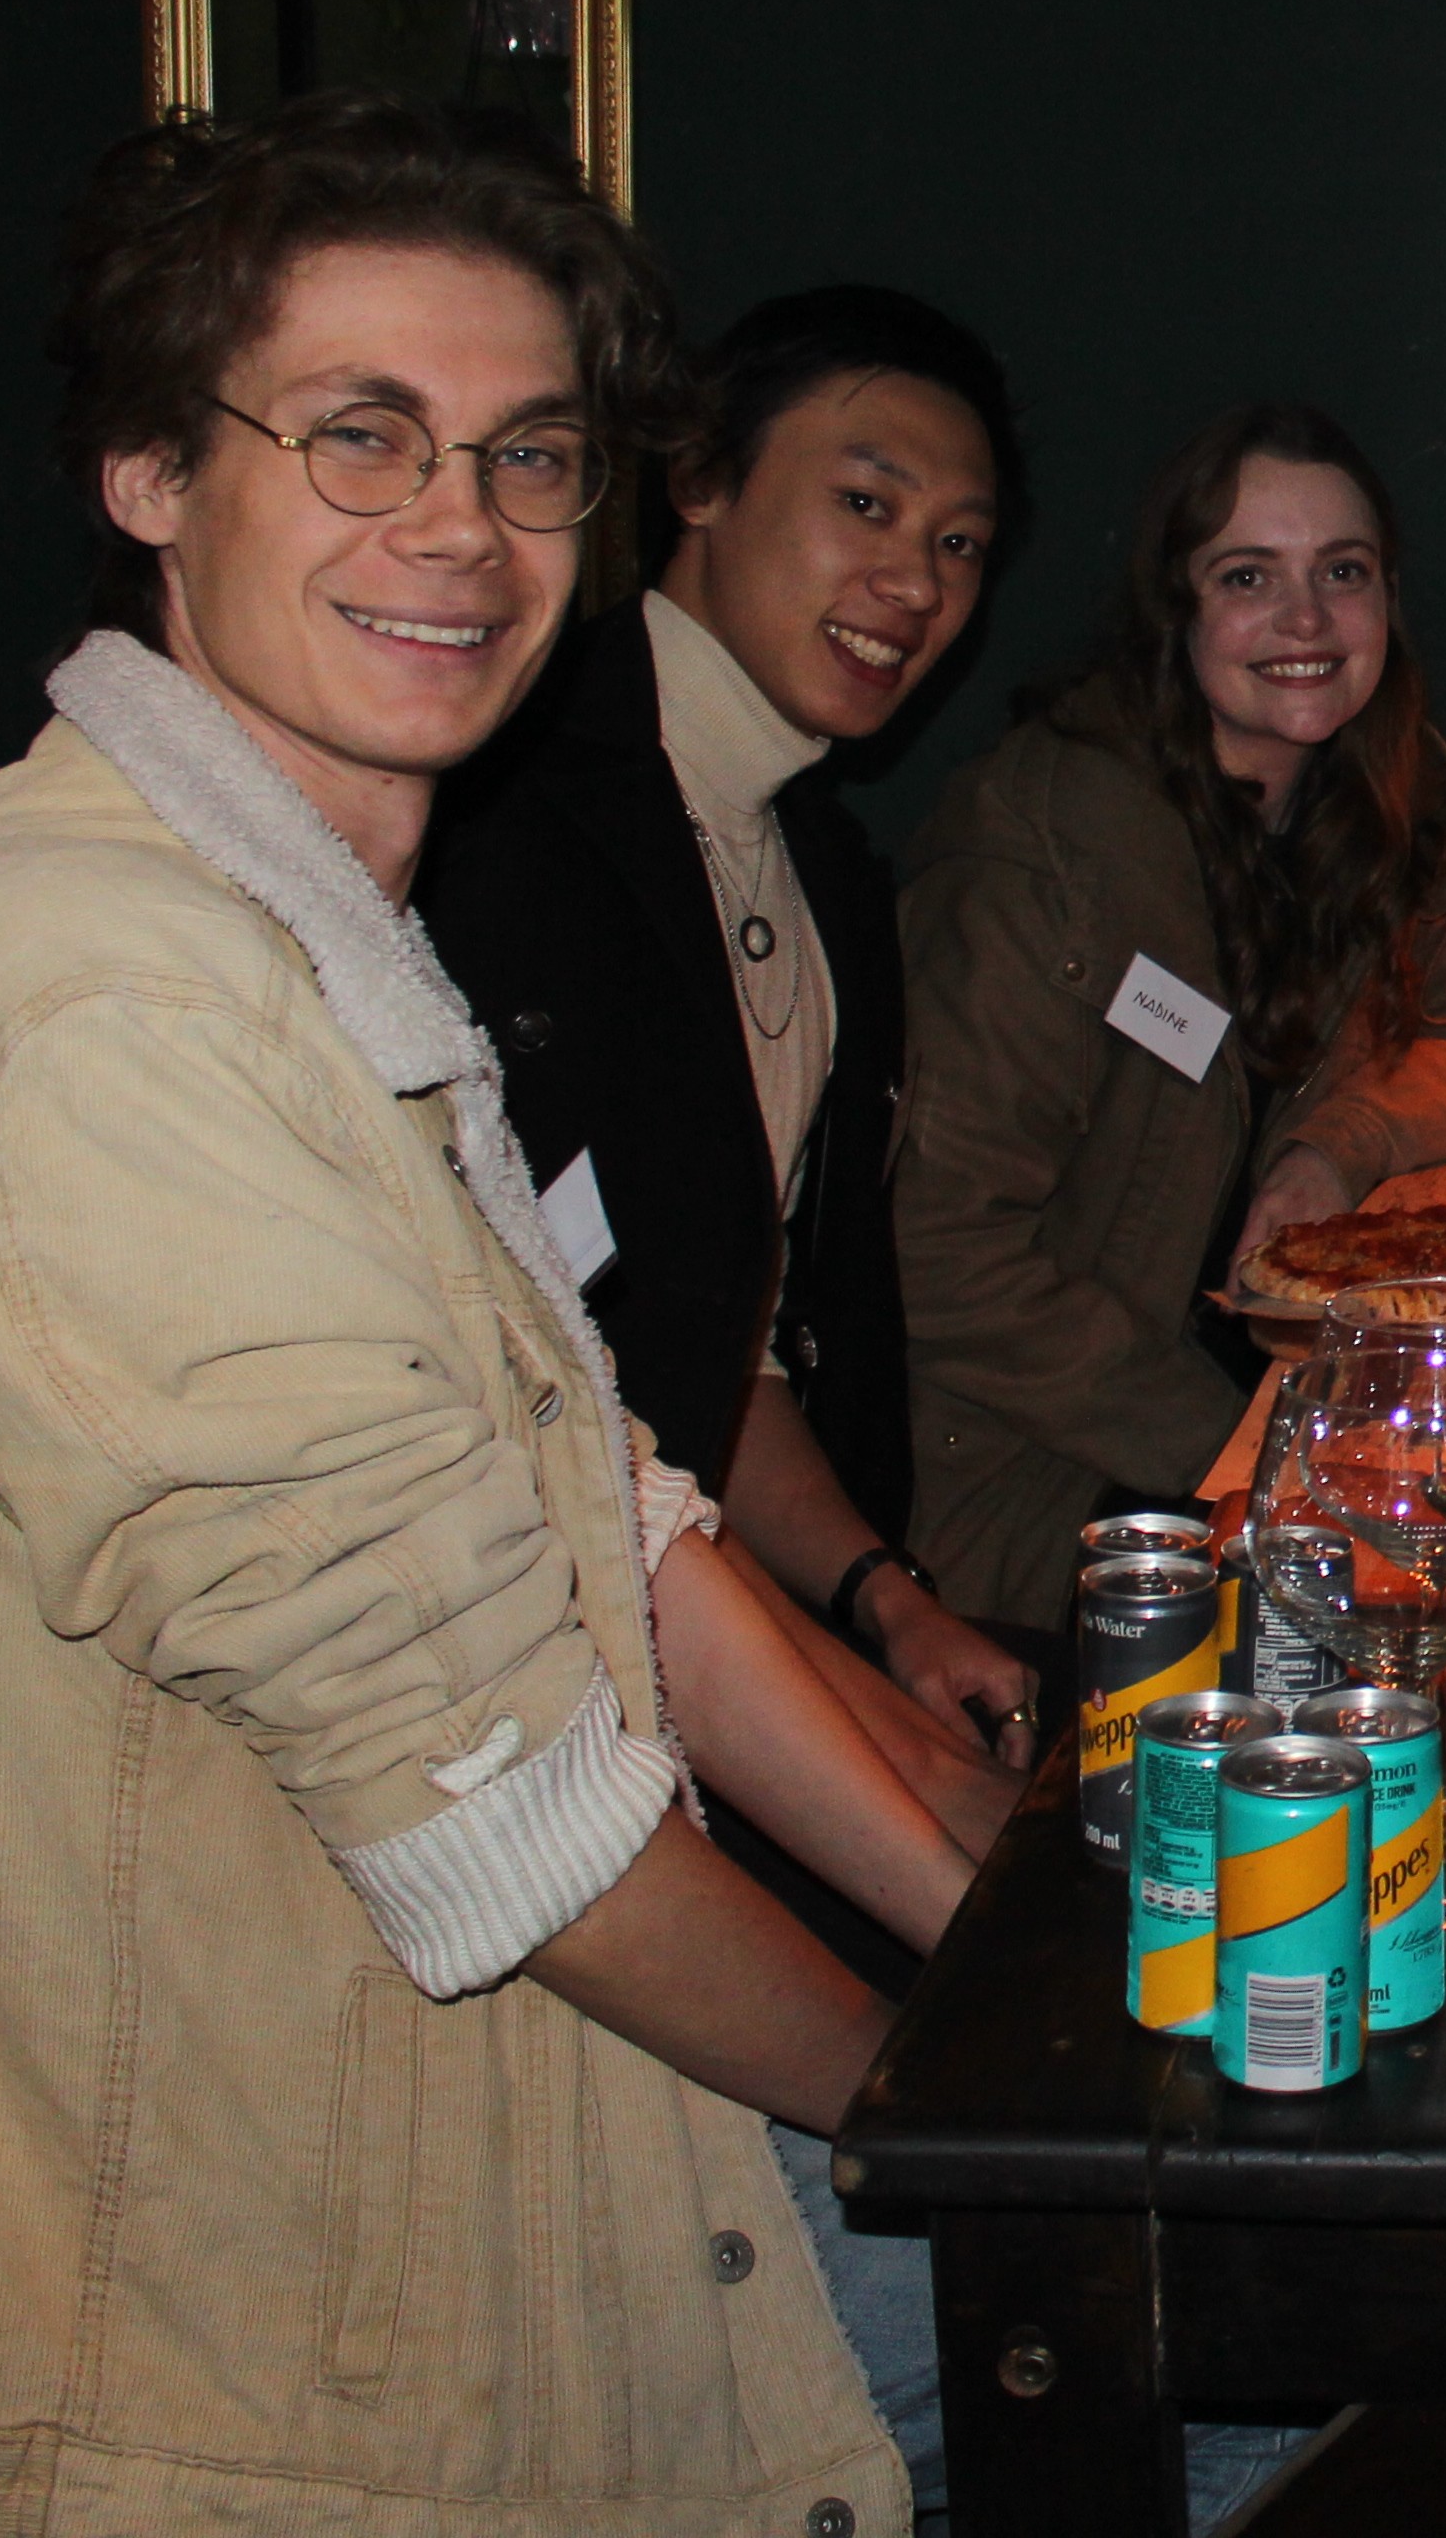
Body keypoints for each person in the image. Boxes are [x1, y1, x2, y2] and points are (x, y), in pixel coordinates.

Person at [0, 95, 957, 2529]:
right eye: (358, 437)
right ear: (151, 468)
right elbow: (518, 1837)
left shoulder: (291, 929)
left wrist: (975, 1891)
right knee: (1304, 2337)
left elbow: (601, 1506)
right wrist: (984, 2117)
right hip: (236, 2371)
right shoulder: (103, 1005)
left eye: (522, 456)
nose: (456, 532)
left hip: (426, 2163)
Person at [416, 284, 1039, 1967]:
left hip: (719, 1634)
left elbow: (715, 1357)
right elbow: (536, 1410)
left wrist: (887, 1608)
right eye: (866, 503)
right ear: (694, 477)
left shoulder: (822, 871)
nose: (913, 581)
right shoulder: (488, 809)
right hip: (510, 1724)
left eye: (963, 544)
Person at [899, 402, 1446, 1630]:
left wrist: (1336, 1145)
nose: (1305, 622)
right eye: (1248, 576)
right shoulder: (1044, 847)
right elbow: (940, 1259)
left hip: (1259, 1426)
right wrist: (1255, 1457)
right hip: (1047, 1498)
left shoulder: (1375, 805)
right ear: (1176, 610)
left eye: (1341, 575)